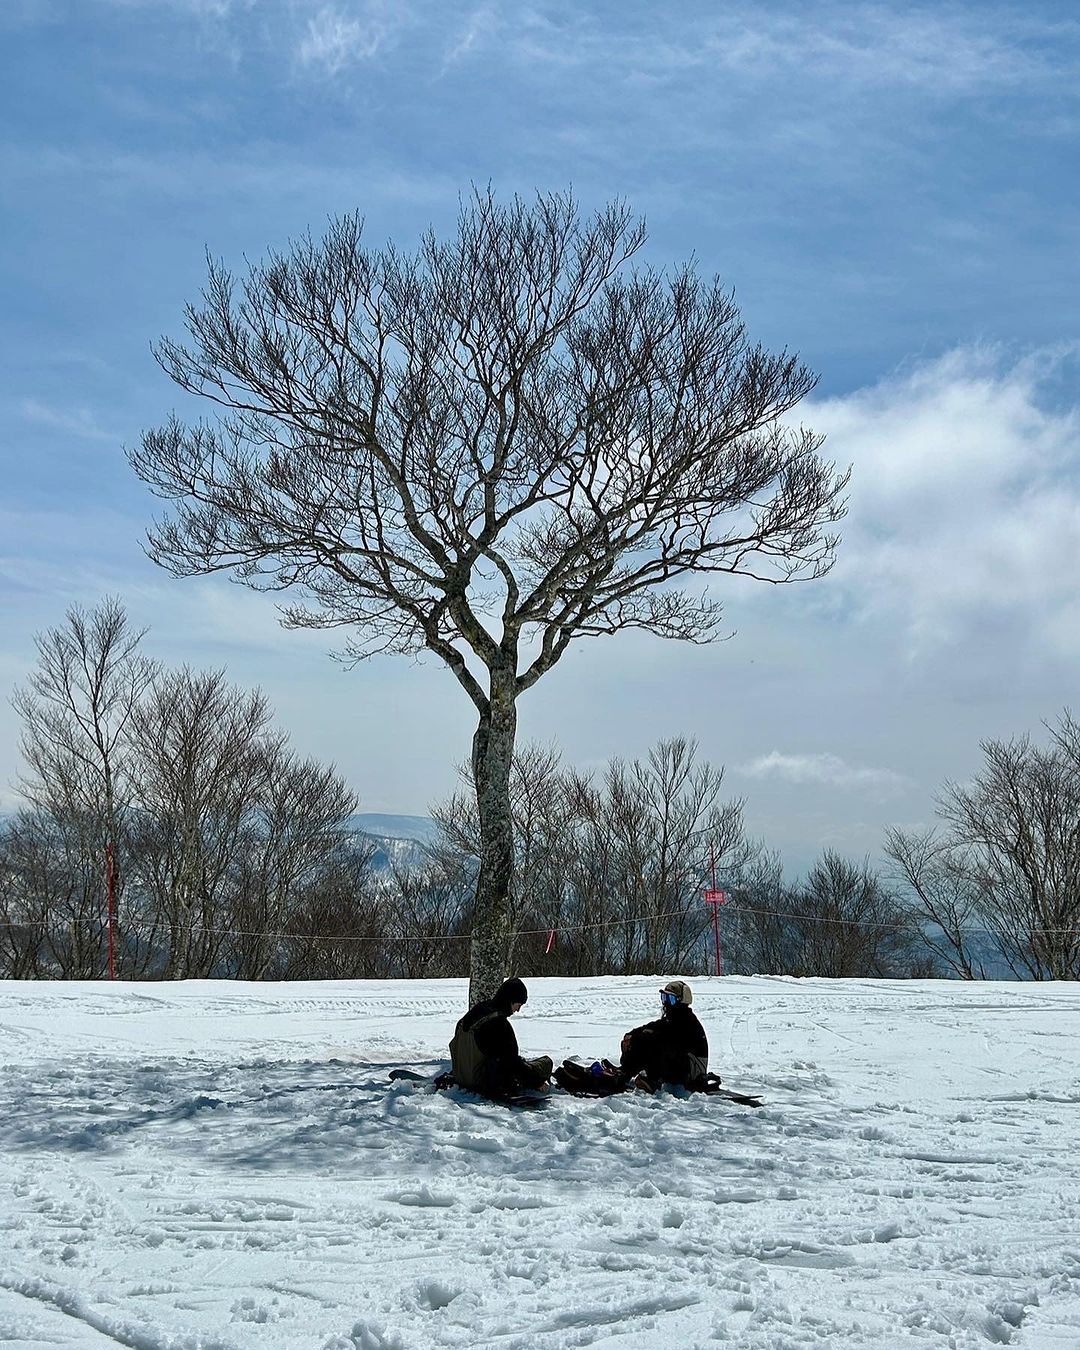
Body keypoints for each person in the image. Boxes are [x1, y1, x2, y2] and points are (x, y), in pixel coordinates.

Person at [449, 977, 553, 1099]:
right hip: (482, 1081)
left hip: (460, 1075)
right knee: (545, 1063)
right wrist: (537, 1082)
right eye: (518, 1005)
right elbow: (511, 1060)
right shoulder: (499, 1024)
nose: (518, 1010)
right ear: (510, 1001)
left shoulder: (479, 1009)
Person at [619, 979, 709, 1091]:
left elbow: (665, 1039)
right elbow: (653, 1027)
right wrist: (631, 1036)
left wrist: (639, 1038)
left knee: (652, 1042)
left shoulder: (686, 1021)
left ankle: (651, 1080)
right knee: (645, 1037)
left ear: (680, 1001)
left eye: (670, 999)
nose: (665, 1003)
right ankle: (625, 1073)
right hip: (683, 1064)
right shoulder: (672, 1019)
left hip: (693, 1070)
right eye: (664, 998)